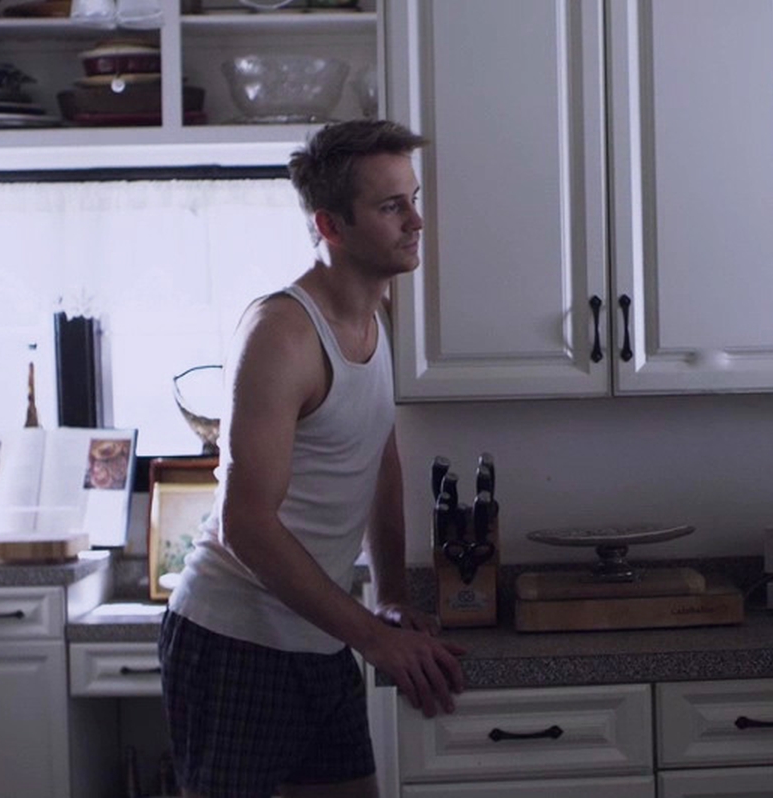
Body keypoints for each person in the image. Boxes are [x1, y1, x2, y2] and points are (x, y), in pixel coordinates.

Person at [159, 119, 466, 798]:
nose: (416, 221)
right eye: (392, 206)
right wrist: (376, 640)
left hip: (323, 635)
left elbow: (378, 456)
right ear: (331, 226)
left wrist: (390, 595)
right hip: (235, 641)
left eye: (413, 199)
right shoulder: (283, 333)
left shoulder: (381, 317)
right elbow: (247, 524)